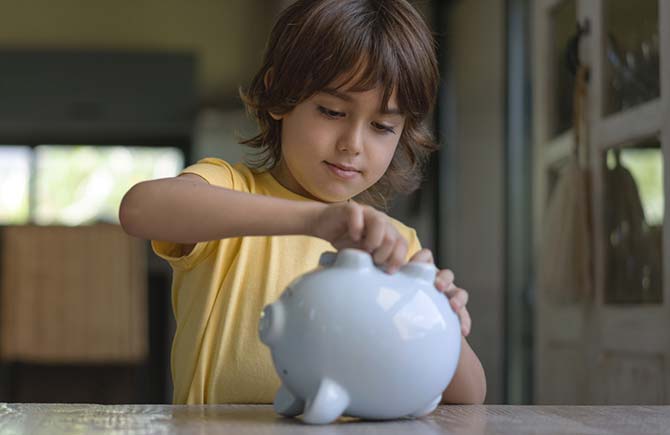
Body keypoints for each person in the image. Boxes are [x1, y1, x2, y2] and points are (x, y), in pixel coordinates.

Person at [119, 0, 486, 406]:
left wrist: (442, 317)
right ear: (279, 96)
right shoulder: (230, 191)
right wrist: (316, 220)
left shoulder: (396, 248)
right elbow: (139, 209)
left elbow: (469, 397)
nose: (353, 144)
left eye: (383, 126)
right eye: (331, 111)